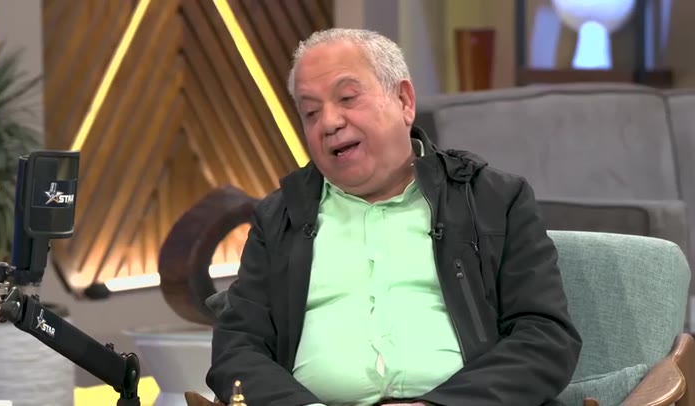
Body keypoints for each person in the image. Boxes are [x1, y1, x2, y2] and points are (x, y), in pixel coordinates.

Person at [206, 28, 582, 406]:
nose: (329, 122)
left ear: (404, 100)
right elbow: (237, 350)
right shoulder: (279, 219)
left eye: (347, 98)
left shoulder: (492, 200)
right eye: (311, 112)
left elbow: (545, 338)